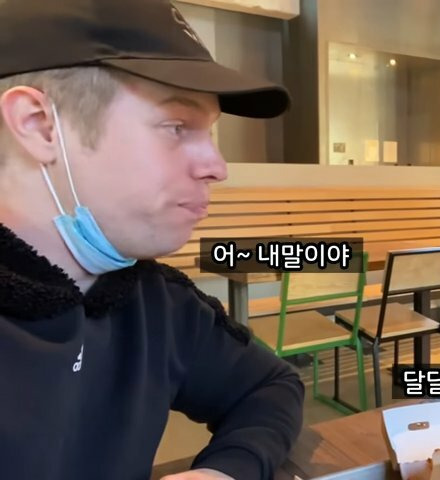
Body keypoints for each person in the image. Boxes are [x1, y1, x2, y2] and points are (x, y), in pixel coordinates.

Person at [0, 1, 304, 479]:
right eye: (177, 126)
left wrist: (225, 471)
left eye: (210, 132)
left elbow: (269, 387)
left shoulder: (155, 302)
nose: (217, 167)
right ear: (39, 124)